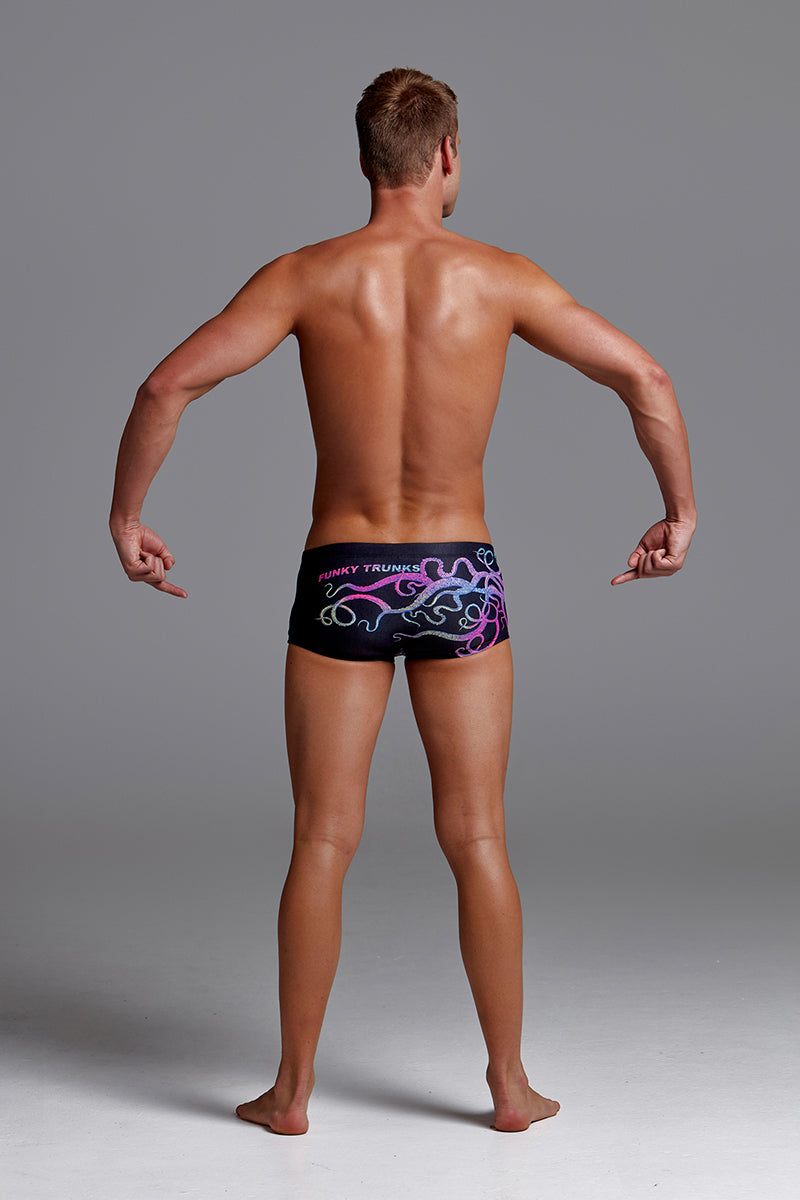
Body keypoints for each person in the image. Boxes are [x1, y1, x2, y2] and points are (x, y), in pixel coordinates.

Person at [109, 67, 697, 1135]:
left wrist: (127, 517)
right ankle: (509, 1088)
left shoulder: (304, 276)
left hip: (343, 577)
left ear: (364, 159)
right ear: (448, 155)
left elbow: (165, 386)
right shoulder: (500, 277)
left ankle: (290, 1094)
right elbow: (645, 380)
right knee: (477, 838)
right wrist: (679, 514)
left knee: (321, 840)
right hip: (457, 578)